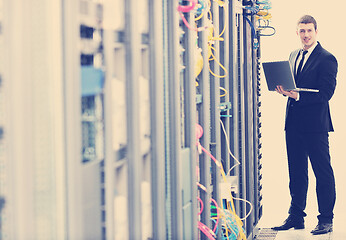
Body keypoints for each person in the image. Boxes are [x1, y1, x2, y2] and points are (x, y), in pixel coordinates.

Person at [272, 15, 337, 235]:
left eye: (309, 30)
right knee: (296, 172)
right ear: (297, 32)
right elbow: (293, 87)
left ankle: (326, 219)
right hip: (293, 124)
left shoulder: (327, 58)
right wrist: (285, 92)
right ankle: (296, 216)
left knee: (323, 172)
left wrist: (297, 97)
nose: (306, 35)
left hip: (315, 125)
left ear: (316, 31)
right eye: (302, 31)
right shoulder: (293, 55)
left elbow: (326, 94)